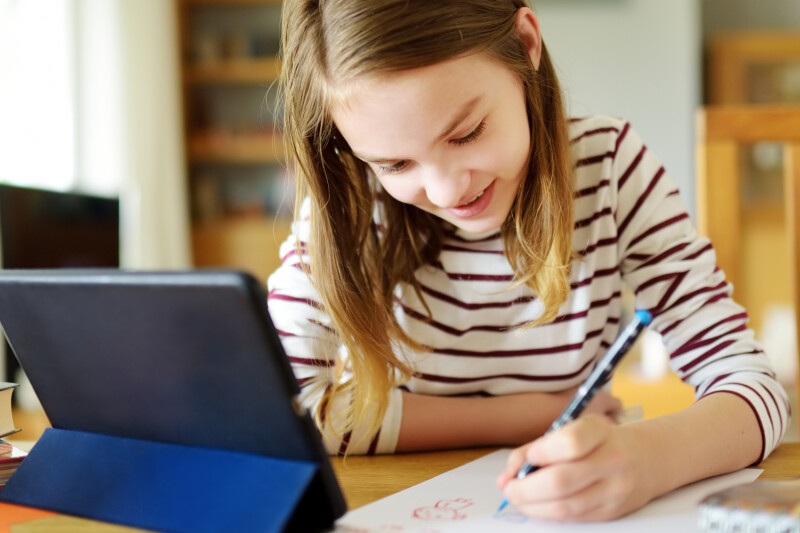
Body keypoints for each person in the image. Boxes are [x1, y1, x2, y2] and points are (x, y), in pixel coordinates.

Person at [267, 0, 789, 522]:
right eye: (396, 164)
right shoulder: (349, 206)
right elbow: (290, 414)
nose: (447, 191)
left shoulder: (609, 169)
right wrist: (531, 416)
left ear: (526, 44)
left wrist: (649, 459)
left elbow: (754, 388)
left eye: (466, 133)